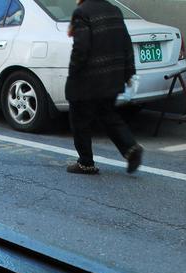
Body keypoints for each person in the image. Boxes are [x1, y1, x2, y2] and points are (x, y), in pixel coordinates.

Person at [65, 0, 143, 175]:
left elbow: (81, 48)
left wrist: (73, 74)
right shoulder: (114, 10)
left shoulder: (82, 12)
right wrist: (129, 72)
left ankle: (86, 163)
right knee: (107, 114)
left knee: (79, 119)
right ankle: (131, 149)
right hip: (113, 76)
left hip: (88, 78)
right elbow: (125, 42)